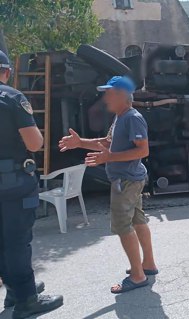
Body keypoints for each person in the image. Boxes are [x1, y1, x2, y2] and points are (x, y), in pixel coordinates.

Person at [59, 76, 158, 293]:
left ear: (122, 96)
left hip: (126, 181)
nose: (105, 98)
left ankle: (138, 276)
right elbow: (107, 142)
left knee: (124, 226)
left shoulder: (132, 118)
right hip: (130, 179)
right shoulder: (120, 117)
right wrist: (80, 143)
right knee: (138, 220)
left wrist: (109, 158)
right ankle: (147, 264)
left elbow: (143, 150)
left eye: (109, 93)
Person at [0, 50, 63, 318]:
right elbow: (34, 143)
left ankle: (15, 289)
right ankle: (26, 298)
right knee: (16, 240)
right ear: (6, 72)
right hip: (11, 181)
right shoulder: (11, 98)